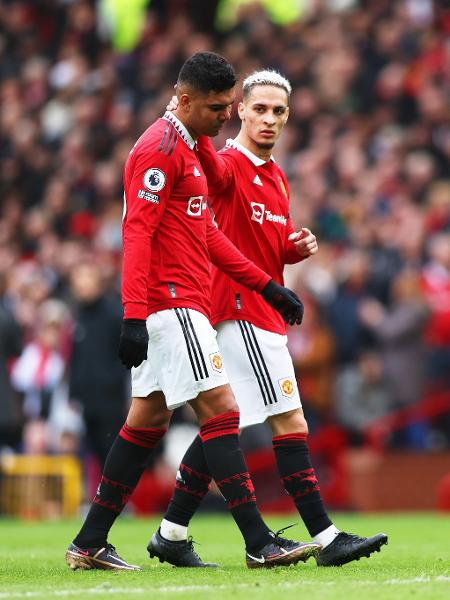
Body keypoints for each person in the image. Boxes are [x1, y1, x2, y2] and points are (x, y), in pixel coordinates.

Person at [65, 52, 320, 572]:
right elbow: (136, 231)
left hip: (180, 299)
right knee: (223, 411)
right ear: (183, 101)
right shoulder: (159, 150)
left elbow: (207, 233)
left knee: (146, 422)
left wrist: (268, 286)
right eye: (217, 107)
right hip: (171, 300)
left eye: (229, 106)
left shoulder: (190, 146)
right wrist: (134, 315)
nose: (227, 117)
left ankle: (90, 541)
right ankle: (257, 541)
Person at [150, 69, 388, 568]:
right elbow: (207, 190)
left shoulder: (276, 175)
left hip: (260, 311)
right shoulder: (229, 164)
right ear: (238, 110)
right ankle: (325, 538)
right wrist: (178, 118)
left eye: (278, 111)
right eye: (259, 108)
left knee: (222, 426)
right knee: (289, 419)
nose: (269, 119)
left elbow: (258, 246)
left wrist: (290, 250)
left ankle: (170, 531)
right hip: (238, 310)